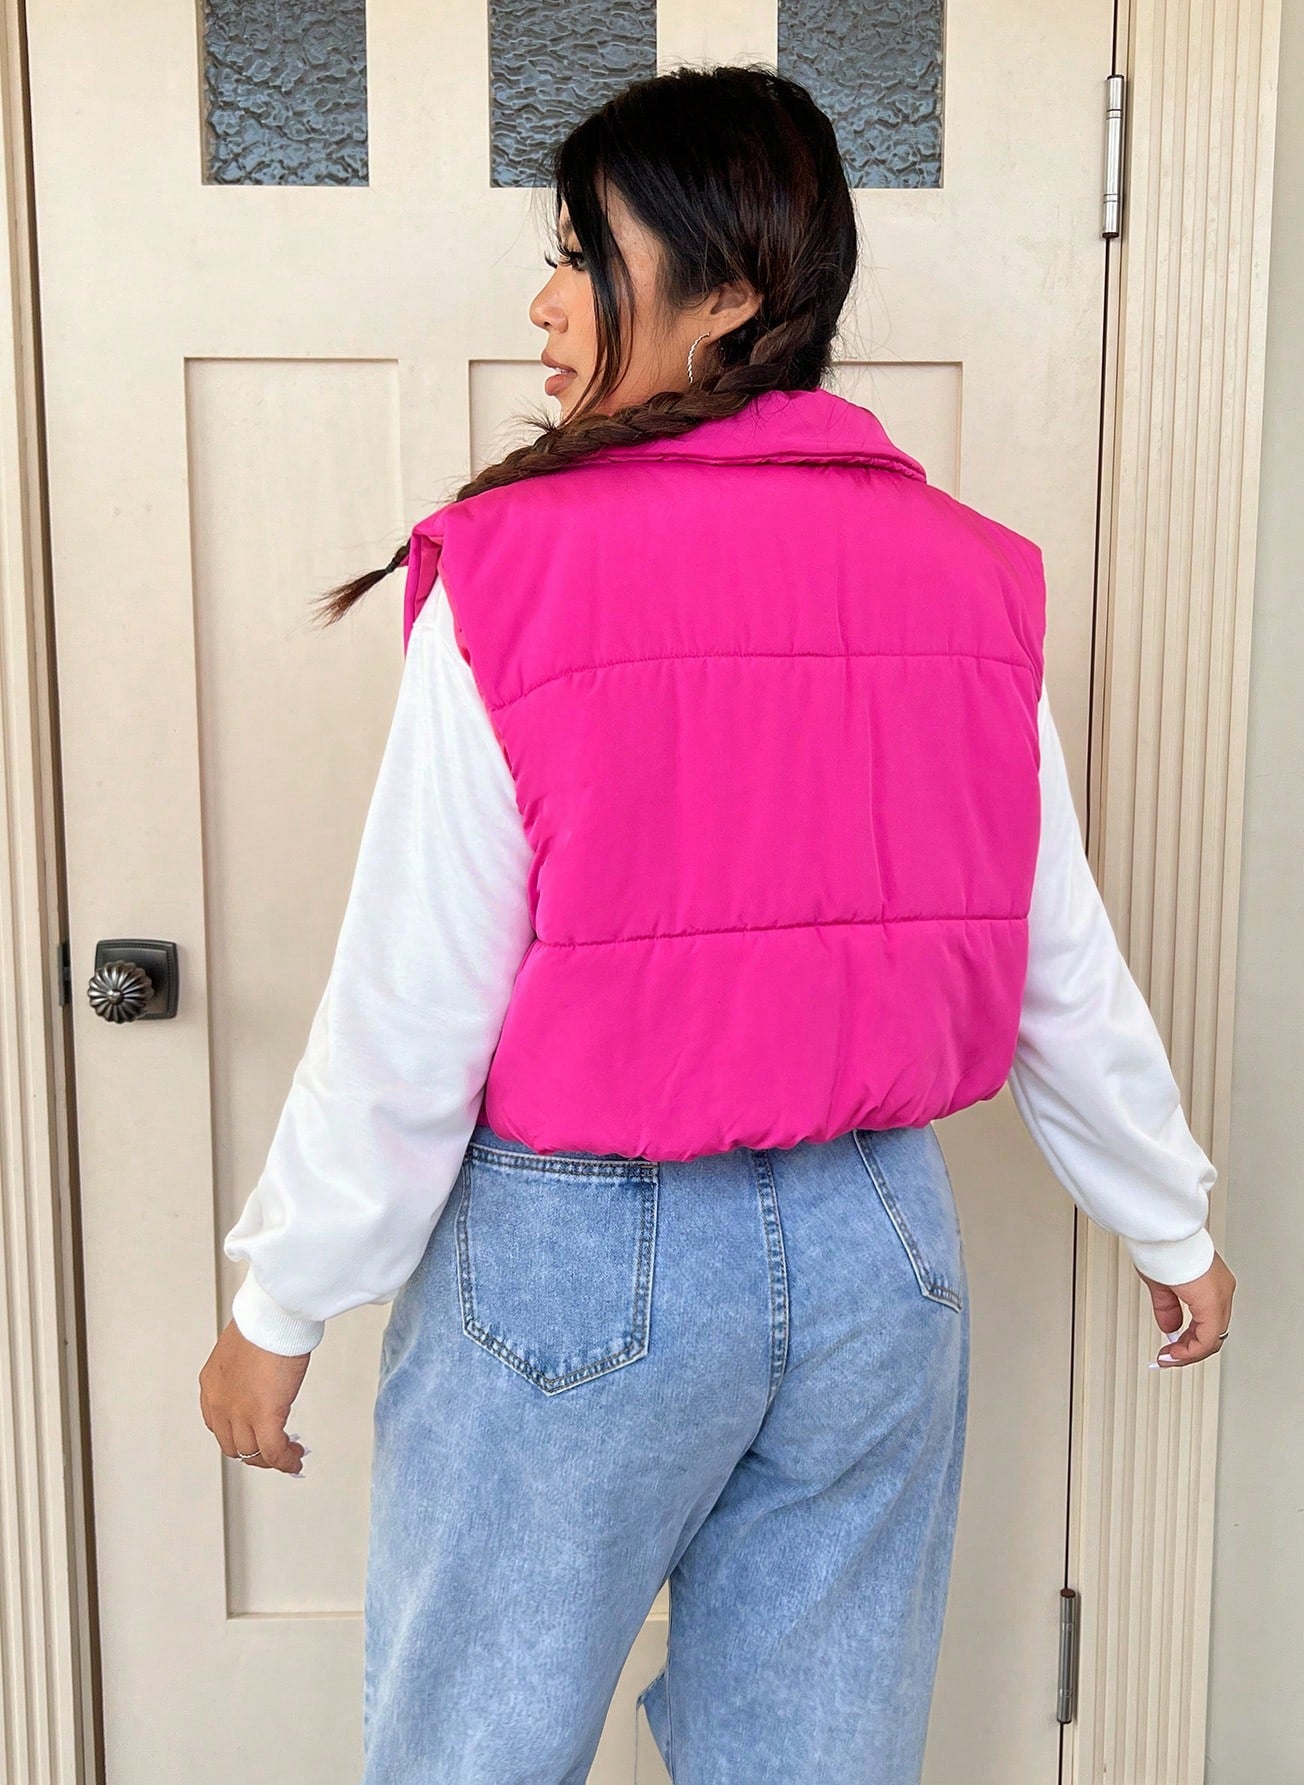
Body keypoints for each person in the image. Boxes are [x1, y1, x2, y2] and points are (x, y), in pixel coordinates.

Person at [198, 64, 1236, 1785]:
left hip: (580, 1260)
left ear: (734, 293)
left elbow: (412, 996)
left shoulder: (518, 566)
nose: (544, 304)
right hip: (880, 1255)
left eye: (582, 255)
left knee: (471, 1753)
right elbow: (1056, 952)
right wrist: (1165, 1212)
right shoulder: (971, 573)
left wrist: (282, 1297)